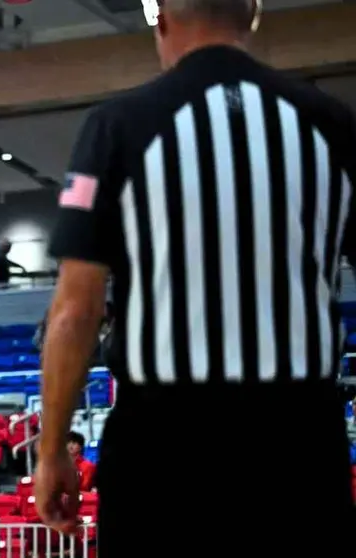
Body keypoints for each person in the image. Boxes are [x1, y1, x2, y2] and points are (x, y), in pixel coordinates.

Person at [35, 1, 356, 556]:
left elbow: (75, 311)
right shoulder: (330, 123)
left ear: (159, 21)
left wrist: (51, 449)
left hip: (163, 444)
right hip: (302, 442)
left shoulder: (117, 126)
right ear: (252, 14)